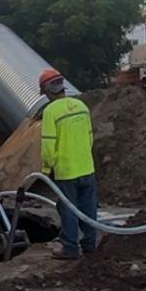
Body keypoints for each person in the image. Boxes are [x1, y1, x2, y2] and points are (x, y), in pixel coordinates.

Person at [38, 68, 97, 260]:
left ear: (47, 91)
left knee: (68, 209)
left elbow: (48, 145)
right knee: (88, 208)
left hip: (65, 171)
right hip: (87, 168)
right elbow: (90, 138)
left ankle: (70, 247)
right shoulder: (81, 106)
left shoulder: (50, 111)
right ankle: (89, 245)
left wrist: (47, 169)